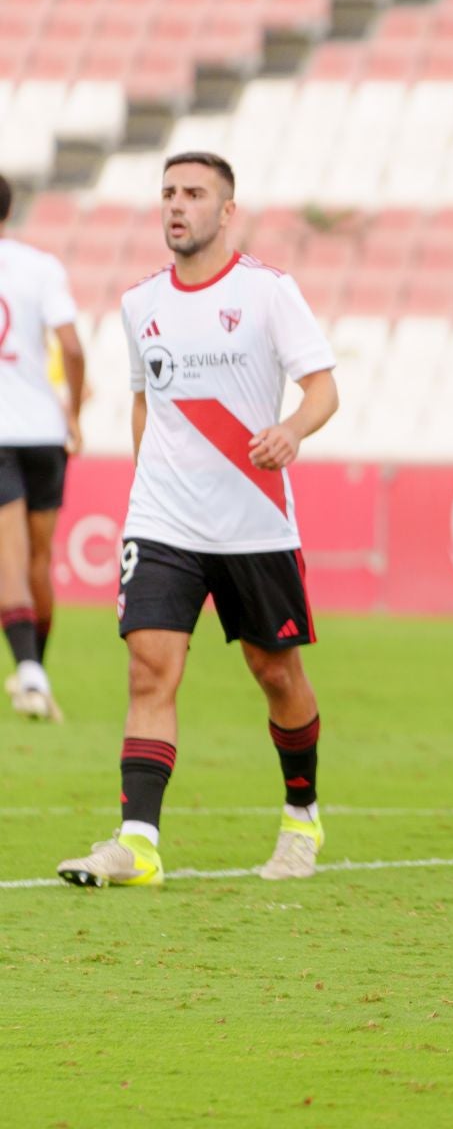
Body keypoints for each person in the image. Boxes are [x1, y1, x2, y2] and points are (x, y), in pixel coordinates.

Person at [56, 151, 340, 888]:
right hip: (163, 522)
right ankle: (138, 843)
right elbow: (145, 401)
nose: (176, 206)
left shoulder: (269, 293)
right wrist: (146, 489)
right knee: (151, 668)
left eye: (193, 194)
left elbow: (323, 390)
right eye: (168, 193)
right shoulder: (139, 303)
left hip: (253, 523)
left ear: (226, 210)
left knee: (275, 674)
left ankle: (301, 817)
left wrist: (293, 431)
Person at [0, 172, 86, 723]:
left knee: (7, 557)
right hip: (45, 431)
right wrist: (72, 412)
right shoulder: (41, 266)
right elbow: (73, 348)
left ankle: (29, 670)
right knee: (37, 558)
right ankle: (36, 671)